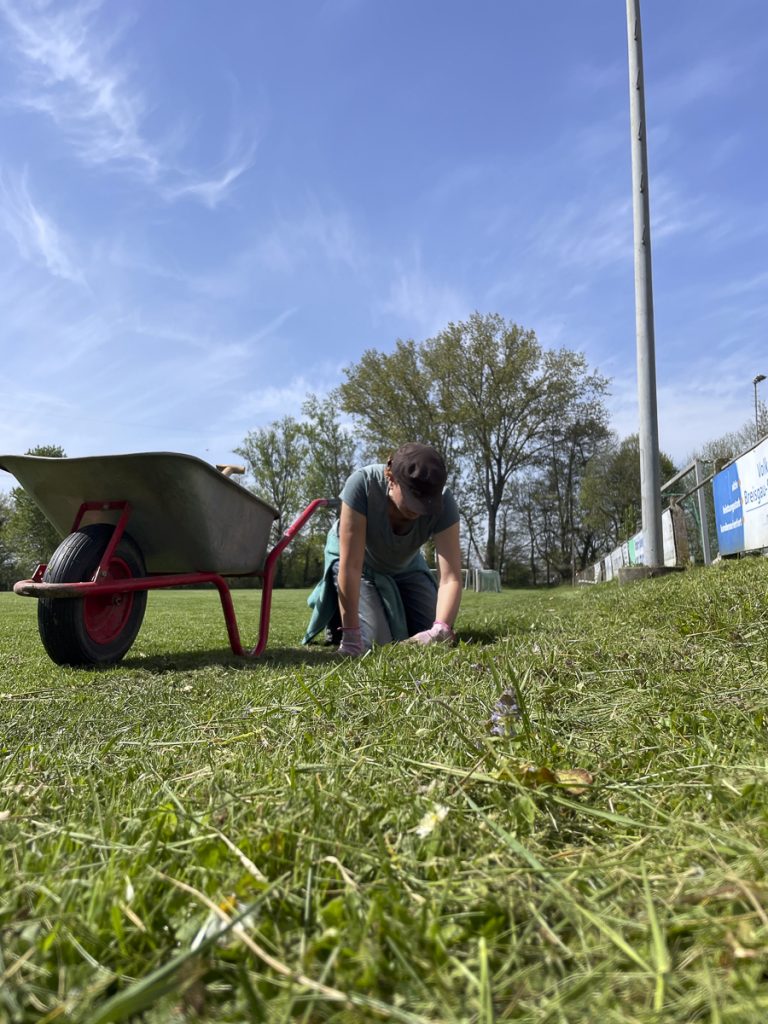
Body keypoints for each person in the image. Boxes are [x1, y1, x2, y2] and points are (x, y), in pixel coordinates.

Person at [302, 442, 463, 655]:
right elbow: (351, 566)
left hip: (406, 565)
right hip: (358, 563)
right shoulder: (362, 484)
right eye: (413, 498)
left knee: (428, 630)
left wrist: (440, 629)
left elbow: (450, 578)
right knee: (376, 643)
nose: (420, 509)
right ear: (391, 478)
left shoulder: (444, 501)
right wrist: (352, 636)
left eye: (427, 501)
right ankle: (338, 620)